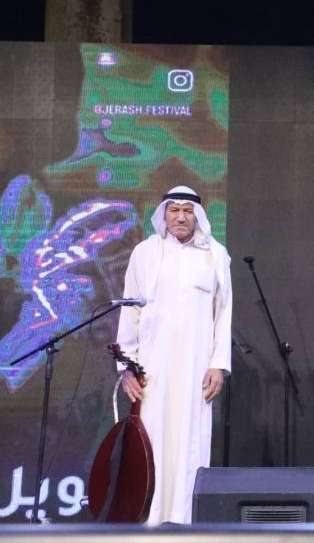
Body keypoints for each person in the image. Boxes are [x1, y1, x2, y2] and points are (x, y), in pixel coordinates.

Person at [115, 185, 232, 525]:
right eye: (174, 210)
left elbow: (223, 313)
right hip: (152, 369)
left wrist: (218, 365)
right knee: (151, 441)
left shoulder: (215, 255)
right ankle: (148, 520)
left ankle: (185, 522)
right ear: (163, 214)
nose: (181, 217)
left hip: (197, 368)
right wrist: (127, 366)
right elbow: (130, 311)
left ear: (198, 216)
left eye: (187, 211)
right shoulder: (144, 253)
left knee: (190, 442)